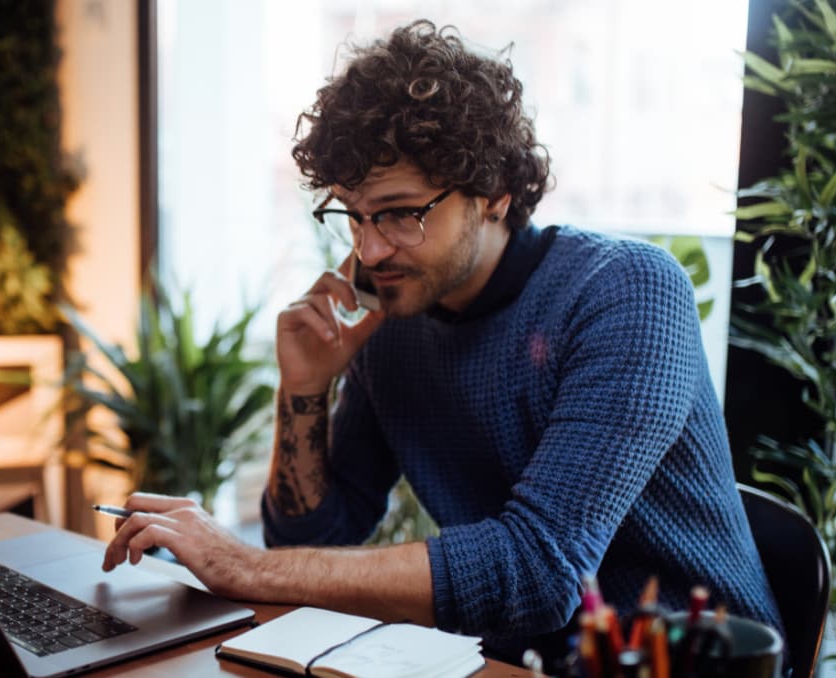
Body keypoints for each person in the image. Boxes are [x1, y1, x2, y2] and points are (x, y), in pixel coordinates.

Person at [100, 19, 784, 666]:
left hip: (688, 664)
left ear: (494, 191)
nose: (369, 249)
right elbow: (313, 543)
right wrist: (304, 387)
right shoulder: (391, 320)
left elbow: (539, 571)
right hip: (512, 664)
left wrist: (242, 562)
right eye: (353, 215)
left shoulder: (626, 292)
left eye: (399, 213)